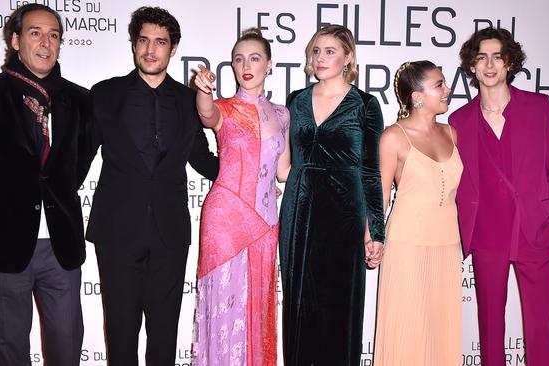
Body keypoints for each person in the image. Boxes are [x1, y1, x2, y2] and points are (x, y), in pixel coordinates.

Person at [0, 4, 88, 365]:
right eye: (36, 32)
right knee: (11, 354)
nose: (46, 42)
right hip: (2, 247)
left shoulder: (80, 100)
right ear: (15, 39)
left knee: (68, 351)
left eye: (54, 35)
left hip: (61, 248)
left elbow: (75, 167)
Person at [84, 6, 218, 365]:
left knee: (164, 334)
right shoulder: (104, 94)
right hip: (116, 231)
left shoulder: (190, 102)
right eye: (143, 40)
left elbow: (203, 161)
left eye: (160, 42)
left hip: (169, 233)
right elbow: (79, 159)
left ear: (172, 49)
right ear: (133, 44)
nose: (150, 49)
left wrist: (253, 177)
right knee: (120, 332)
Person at [450, 27, 549, 366]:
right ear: (472, 66)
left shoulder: (537, 107)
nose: (489, 65)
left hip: (535, 231)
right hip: (487, 236)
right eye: (481, 57)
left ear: (509, 63)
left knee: (541, 326)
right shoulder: (459, 121)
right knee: (489, 329)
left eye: (497, 57)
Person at [278, 24, 385, 365]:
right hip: (300, 209)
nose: (320, 58)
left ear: (348, 57)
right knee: (300, 305)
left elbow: (371, 171)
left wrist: (375, 231)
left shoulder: (365, 105)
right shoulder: (295, 100)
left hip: (344, 213)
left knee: (340, 306)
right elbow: (283, 163)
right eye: (316, 51)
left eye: (330, 51)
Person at [191, 28, 290, 366]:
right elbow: (206, 113)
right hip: (226, 217)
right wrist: (202, 90)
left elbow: (284, 172)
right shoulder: (224, 108)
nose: (246, 65)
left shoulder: (283, 114)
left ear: (270, 64)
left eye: (254, 57)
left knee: (258, 305)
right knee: (225, 301)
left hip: (265, 221)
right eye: (238, 59)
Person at [373, 61, 462, 365]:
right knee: (406, 330)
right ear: (417, 97)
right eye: (439, 85)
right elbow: (380, 197)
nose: (448, 90)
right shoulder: (393, 137)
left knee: (441, 334)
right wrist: (372, 239)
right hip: (406, 246)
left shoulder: (452, 133)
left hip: (448, 245)